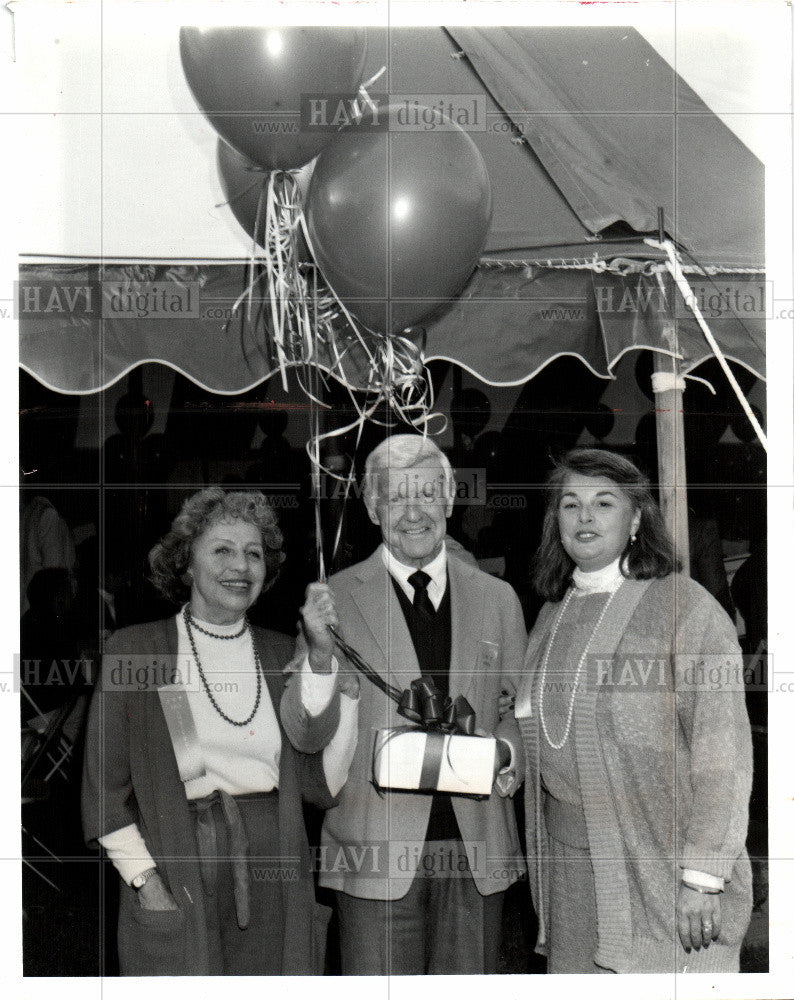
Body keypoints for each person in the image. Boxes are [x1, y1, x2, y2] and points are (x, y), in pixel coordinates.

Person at [81, 488, 358, 976]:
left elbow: (324, 785)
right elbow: (104, 789)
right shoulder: (139, 652)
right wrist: (146, 882)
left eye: (254, 553)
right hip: (180, 865)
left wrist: (329, 670)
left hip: (276, 867)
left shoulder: (280, 656)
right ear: (186, 565)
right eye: (222, 550)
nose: (242, 566)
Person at [281, 434, 527, 975]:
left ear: (448, 501)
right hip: (371, 852)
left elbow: (519, 714)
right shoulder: (332, 601)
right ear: (372, 508)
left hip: (476, 851)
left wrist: (506, 755)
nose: (413, 513)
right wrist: (320, 659)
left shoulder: (498, 598)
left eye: (426, 495)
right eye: (395, 498)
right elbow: (303, 735)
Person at [516, 448, 752, 973]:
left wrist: (703, 875)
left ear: (638, 518)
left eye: (603, 503)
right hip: (570, 873)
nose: (584, 517)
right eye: (570, 504)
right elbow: (542, 731)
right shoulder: (552, 612)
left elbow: (725, 755)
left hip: (659, 870)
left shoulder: (684, 609)